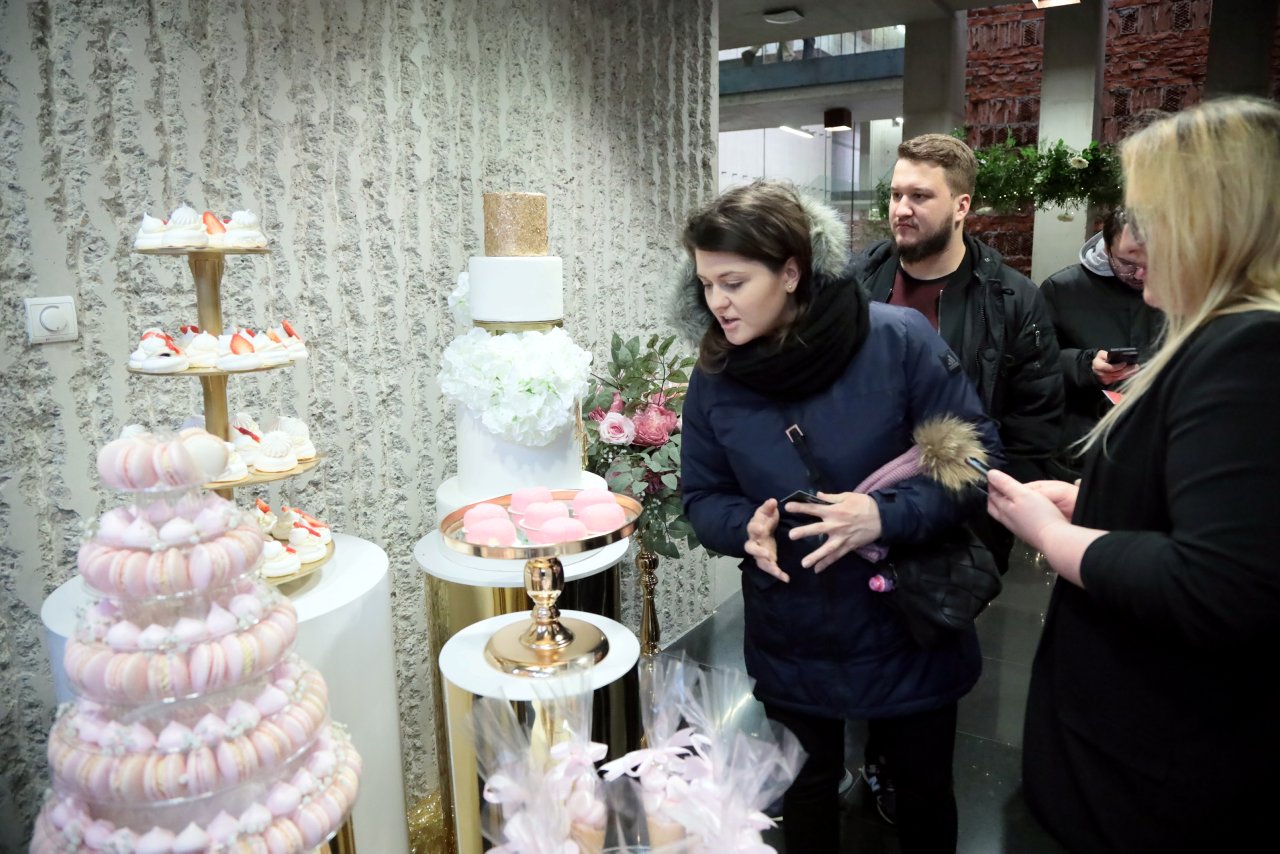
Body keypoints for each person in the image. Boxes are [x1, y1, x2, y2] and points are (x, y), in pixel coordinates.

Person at [985, 97, 1280, 852]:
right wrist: (1095, 500)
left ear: (1214, 221)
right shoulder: (1223, 338)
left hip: (1158, 767)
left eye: (1151, 215)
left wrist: (1052, 535)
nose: (1133, 242)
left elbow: (1219, 581)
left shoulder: (1248, 349)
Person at [673, 180, 1003, 853]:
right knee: (805, 789)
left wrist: (883, 515)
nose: (717, 303)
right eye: (706, 285)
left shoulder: (896, 340)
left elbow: (974, 461)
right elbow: (702, 495)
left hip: (906, 621)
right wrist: (745, 528)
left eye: (733, 283)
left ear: (791, 272)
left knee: (921, 790)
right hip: (794, 626)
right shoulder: (715, 377)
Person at [853, 133, 1063, 817]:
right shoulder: (856, 283)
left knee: (929, 672)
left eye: (920, 195)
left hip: (956, 519)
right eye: (895, 194)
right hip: (865, 512)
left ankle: (912, 786)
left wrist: (994, 530)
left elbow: (1033, 421)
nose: (901, 208)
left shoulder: (1011, 300)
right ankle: (876, 764)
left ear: (963, 205)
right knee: (868, 648)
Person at [1039, 208, 1164, 480]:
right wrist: (1086, 366)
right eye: (1127, 264)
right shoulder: (1063, 290)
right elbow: (1036, 364)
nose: (1139, 275)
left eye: (1151, 263)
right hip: (1084, 448)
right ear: (1106, 247)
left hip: (1161, 446)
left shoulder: (1182, 289)